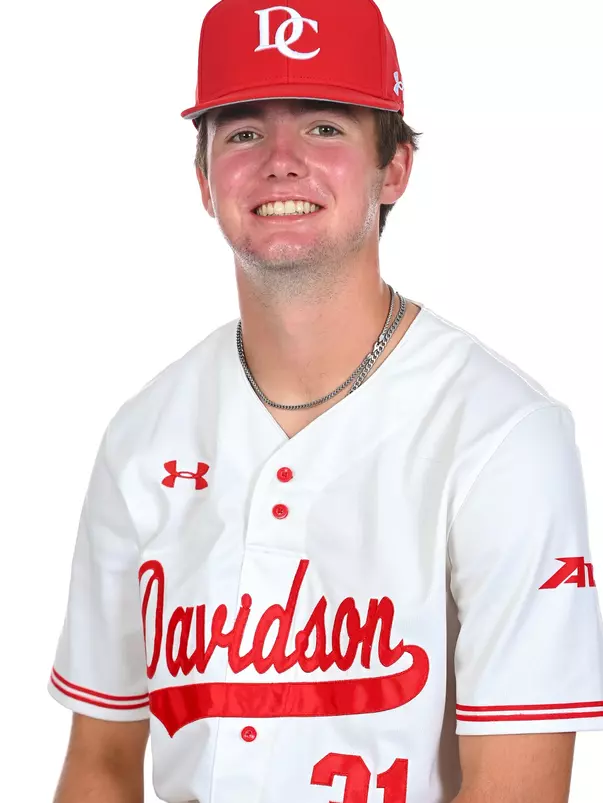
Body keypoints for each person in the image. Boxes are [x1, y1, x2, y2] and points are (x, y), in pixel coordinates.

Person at [49, 1, 603, 801]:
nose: (280, 161)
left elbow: (516, 789)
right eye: (241, 132)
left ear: (396, 168)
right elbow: (100, 764)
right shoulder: (143, 434)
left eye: (323, 127)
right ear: (204, 180)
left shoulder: (502, 434)